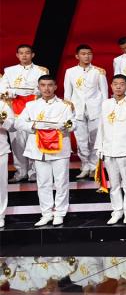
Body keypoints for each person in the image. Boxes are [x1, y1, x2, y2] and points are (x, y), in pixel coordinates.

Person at [15, 75, 75, 226]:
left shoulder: (65, 105)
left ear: (55, 87)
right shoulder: (31, 105)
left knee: (61, 182)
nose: (46, 88)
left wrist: (65, 126)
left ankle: (60, 213)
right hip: (38, 149)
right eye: (43, 85)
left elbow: (74, 124)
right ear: (39, 87)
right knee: (43, 183)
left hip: (59, 148)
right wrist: (33, 126)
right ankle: (46, 213)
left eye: (50, 85)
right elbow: (18, 123)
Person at [96, 74, 126, 225]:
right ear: (111, 86)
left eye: (122, 84)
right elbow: (101, 125)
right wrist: (99, 146)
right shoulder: (106, 104)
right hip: (109, 150)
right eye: (115, 83)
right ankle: (117, 211)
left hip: (125, 150)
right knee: (114, 185)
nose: (118, 86)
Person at [2, 45, 48, 182]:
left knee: (33, 142)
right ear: (17, 55)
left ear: (32, 55)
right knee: (17, 144)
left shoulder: (41, 70)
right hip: (14, 109)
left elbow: (44, 88)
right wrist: (15, 92)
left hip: (33, 110)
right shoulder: (9, 71)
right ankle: (21, 172)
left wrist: (33, 92)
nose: (24, 55)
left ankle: (34, 172)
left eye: (27, 53)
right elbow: (3, 89)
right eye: (21, 53)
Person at [63, 44, 107, 179]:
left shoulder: (99, 71)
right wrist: (68, 112)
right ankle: (85, 165)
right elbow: (67, 93)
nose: (87, 56)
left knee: (95, 140)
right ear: (77, 56)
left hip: (96, 109)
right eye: (83, 54)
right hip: (77, 110)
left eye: (89, 53)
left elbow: (104, 92)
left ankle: (94, 167)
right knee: (81, 140)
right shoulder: (70, 72)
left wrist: (105, 110)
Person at [0, 98, 12, 227]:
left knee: (1, 185)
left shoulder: (3, 105)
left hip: (1, 150)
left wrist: (3, 122)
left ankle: (0, 215)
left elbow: (12, 126)